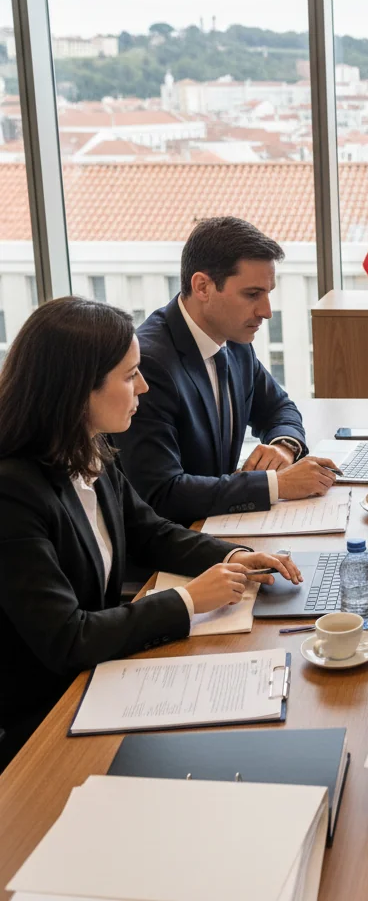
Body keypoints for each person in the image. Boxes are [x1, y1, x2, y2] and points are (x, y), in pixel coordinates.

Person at [0, 298, 302, 770]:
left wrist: (235, 555)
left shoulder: (88, 449)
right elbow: (66, 638)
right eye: (129, 375)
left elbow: (151, 533)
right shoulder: (12, 491)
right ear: (78, 389)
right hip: (44, 716)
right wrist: (189, 601)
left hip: (102, 678)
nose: (143, 385)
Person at [114, 216, 337, 527]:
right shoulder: (150, 363)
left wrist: (284, 447)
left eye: (268, 293)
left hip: (218, 525)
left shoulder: (234, 340)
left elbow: (278, 407)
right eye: (252, 294)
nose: (266, 311)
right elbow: (162, 493)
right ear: (203, 286)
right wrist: (277, 485)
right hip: (166, 551)